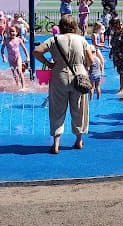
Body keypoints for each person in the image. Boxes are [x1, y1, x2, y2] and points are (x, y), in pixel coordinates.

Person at [33, 15, 94, 154]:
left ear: (60, 26)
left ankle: (56, 143)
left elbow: (36, 51)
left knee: (57, 109)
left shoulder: (54, 39)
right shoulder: (81, 40)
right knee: (79, 108)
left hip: (59, 74)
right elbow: (91, 59)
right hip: (79, 75)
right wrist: (84, 66)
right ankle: (78, 140)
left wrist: (48, 64)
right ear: (74, 26)